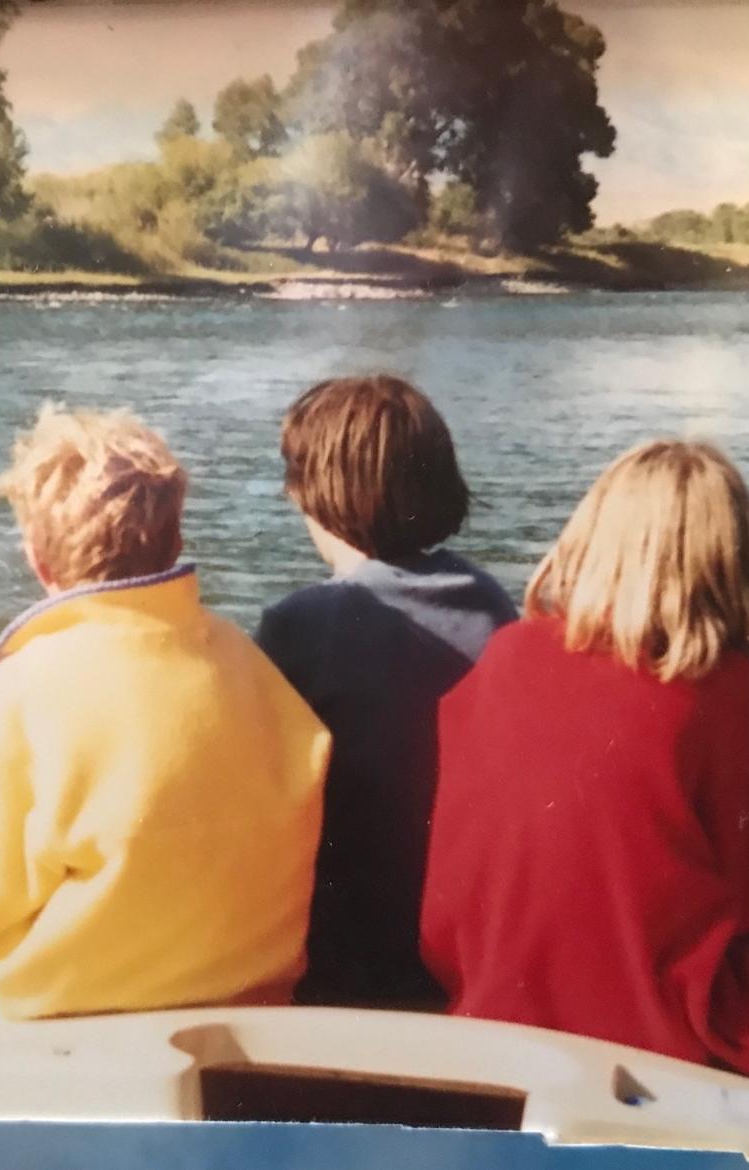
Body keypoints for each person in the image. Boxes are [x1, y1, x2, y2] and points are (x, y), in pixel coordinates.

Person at [420, 438, 749, 1076]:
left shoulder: (508, 653)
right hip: (661, 1024)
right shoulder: (717, 682)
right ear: (730, 561)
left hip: (489, 1001)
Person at [0, 403, 330, 1019]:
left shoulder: (23, 691)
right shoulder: (242, 657)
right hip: (255, 1009)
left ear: (39, 561)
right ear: (175, 542)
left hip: (77, 1029)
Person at [256, 375, 517, 1008]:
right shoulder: (492, 606)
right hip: (461, 948)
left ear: (314, 492)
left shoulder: (300, 625)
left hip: (340, 958)